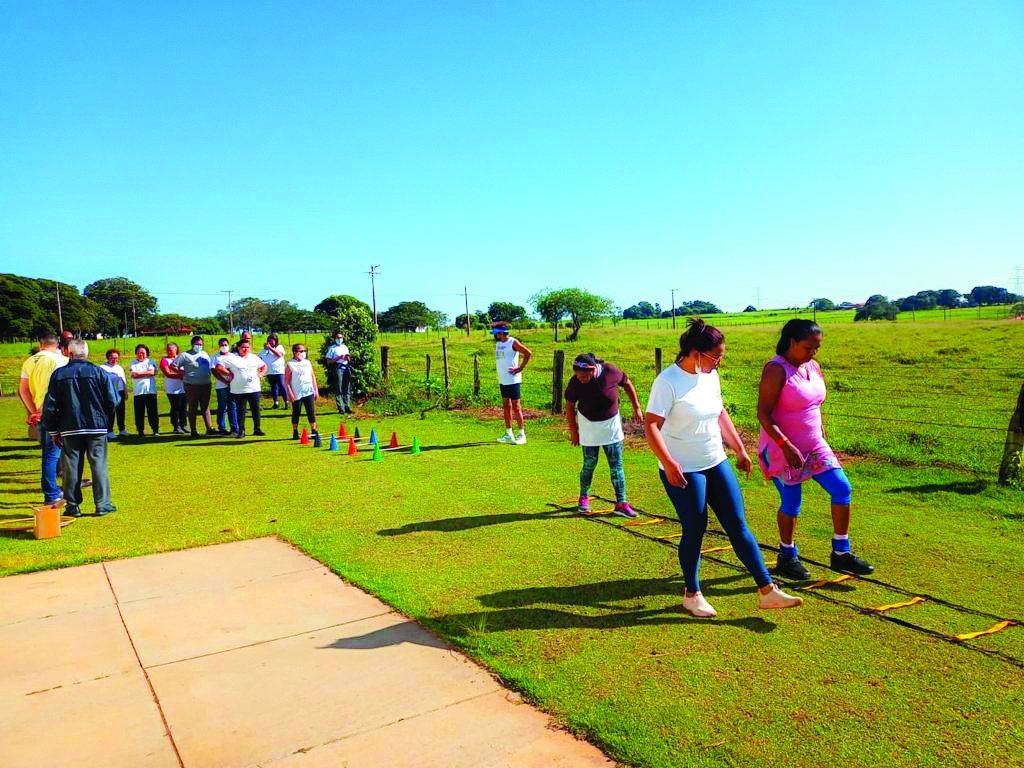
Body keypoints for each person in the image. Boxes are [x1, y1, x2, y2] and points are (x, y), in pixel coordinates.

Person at [644, 318, 802, 617]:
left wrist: (739, 449)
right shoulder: (667, 381)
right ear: (695, 353)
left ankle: (767, 591)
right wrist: (668, 462)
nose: (719, 362)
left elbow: (720, 413)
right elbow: (651, 425)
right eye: (716, 356)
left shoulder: (710, 376)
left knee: (738, 524)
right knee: (695, 528)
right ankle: (692, 594)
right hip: (683, 467)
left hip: (715, 459)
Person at [757, 319, 874, 579]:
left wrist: (821, 432)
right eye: (808, 347)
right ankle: (787, 556)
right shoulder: (776, 370)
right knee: (792, 501)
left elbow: (814, 404)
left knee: (841, 488)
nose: (813, 353)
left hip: (814, 445)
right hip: (781, 448)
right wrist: (785, 445)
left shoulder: (813, 366)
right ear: (792, 342)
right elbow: (763, 413)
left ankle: (841, 553)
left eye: (817, 348)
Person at [41, 339, 118, 517]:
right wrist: (105, 420)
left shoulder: (59, 374)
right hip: (96, 426)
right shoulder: (99, 372)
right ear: (86, 353)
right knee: (98, 464)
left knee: (71, 467)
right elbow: (112, 400)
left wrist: (53, 430)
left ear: (69, 353)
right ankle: (102, 504)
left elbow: (50, 406)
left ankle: (73, 505)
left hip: (69, 427)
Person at [564, 353, 642, 518]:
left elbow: (627, 383)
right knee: (589, 464)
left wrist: (636, 407)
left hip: (611, 425)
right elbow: (569, 406)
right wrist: (574, 431)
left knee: (616, 465)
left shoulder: (610, 371)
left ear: (593, 370)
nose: (580, 379)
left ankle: (621, 503)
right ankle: (583, 498)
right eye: (577, 375)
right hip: (588, 426)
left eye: (584, 376)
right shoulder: (575, 382)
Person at [18, 333, 69, 504]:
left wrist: (33, 411)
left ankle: (55, 489)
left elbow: (23, 390)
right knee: (54, 453)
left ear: (41, 344)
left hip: (40, 412)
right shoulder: (60, 360)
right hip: (56, 411)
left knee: (49, 452)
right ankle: (51, 493)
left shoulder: (29, 361)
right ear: (57, 345)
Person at [217, 338, 268, 438]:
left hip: (254, 388)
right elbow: (219, 367)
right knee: (241, 410)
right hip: (238, 390)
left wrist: (261, 374)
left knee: (255, 409)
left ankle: (257, 429)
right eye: (243, 347)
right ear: (239, 348)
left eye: (247, 347)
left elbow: (264, 366)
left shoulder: (254, 357)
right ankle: (241, 431)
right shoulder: (232, 358)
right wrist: (229, 374)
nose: (245, 349)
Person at [492, 324, 532, 444]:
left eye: (497, 333)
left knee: (516, 406)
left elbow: (528, 353)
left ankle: (522, 435)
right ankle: (509, 434)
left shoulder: (513, 342)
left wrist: (520, 368)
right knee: (506, 405)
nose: (496, 335)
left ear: (502, 333)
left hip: (513, 380)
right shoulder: (498, 344)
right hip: (503, 380)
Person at [175, 335, 215, 436]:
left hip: (206, 384)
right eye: (197, 344)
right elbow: (173, 365)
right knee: (193, 407)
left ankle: (209, 428)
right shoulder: (185, 355)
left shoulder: (205, 354)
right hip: (192, 385)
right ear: (192, 344)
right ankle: (193, 430)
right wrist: (181, 372)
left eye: (201, 344)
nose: (199, 346)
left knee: (205, 407)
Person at [285, 343, 320, 440]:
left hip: (308, 390)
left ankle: (314, 430)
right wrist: (290, 392)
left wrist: (316, 390)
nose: (303, 353)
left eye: (304, 351)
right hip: (297, 392)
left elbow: (312, 376)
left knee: (311, 411)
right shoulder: (290, 364)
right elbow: (286, 380)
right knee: (296, 411)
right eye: (301, 351)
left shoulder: (307, 362)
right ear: (295, 352)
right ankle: (295, 431)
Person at [130, 344, 160, 435]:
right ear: (136, 353)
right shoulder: (133, 363)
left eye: (143, 353)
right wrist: (146, 373)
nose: (141, 354)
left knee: (153, 412)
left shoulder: (151, 361)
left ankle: (155, 430)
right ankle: (140, 431)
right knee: (139, 412)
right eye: (139, 353)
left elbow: (152, 372)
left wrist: (139, 373)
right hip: (138, 392)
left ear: (147, 353)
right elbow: (134, 375)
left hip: (150, 391)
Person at [211, 337, 239, 435]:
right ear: (219, 346)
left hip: (233, 385)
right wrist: (224, 381)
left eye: (225, 345)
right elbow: (214, 371)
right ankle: (222, 427)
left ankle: (234, 428)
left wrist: (232, 381)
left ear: (228, 345)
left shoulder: (233, 356)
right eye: (222, 345)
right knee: (222, 406)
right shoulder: (215, 357)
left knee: (233, 406)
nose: (224, 346)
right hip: (221, 386)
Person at [99, 349, 128, 439]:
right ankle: (109, 431)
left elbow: (123, 380)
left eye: (116, 358)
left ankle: (122, 429)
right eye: (112, 358)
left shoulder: (119, 368)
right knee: (111, 412)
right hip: (110, 392)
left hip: (120, 391)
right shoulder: (102, 368)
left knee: (121, 411)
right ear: (108, 357)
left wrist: (126, 392)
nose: (114, 360)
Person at [160, 343, 187, 434]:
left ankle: (183, 425)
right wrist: (181, 375)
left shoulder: (181, 359)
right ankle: (176, 426)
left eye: (171, 350)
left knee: (183, 406)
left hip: (183, 387)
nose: (169, 351)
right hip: (172, 388)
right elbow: (168, 373)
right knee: (176, 406)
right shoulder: (165, 360)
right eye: (167, 350)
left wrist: (183, 375)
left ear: (176, 350)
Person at [323, 331, 353, 414]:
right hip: (338, 368)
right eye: (338, 337)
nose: (340, 339)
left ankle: (347, 406)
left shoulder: (345, 347)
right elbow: (328, 361)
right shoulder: (332, 348)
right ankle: (341, 408)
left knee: (347, 387)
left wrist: (347, 358)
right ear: (335, 339)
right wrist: (338, 357)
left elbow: (349, 358)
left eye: (341, 337)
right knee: (339, 388)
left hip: (346, 367)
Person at [259, 334, 289, 408]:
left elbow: (279, 354)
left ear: (276, 341)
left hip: (279, 371)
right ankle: (276, 403)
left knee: (282, 385)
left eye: (272, 341)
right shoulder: (265, 350)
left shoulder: (279, 347)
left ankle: (286, 402)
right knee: (273, 387)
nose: (271, 342)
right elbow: (260, 358)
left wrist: (270, 348)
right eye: (269, 341)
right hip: (269, 371)